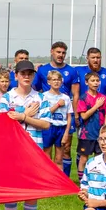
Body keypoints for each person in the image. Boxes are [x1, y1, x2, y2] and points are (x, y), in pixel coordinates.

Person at [0, 61, 50, 210]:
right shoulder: (7, 97)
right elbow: (4, 121)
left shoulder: (40, 98)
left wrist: (22, 116)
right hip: (12, 148)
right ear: (16, 76)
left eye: (30, 73)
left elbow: (45, 124)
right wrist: (25, 113)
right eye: (23, 73)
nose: (26, 76)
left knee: (32, 189)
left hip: (34, 148)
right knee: (12, 188)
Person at [33, 42, 78, 179]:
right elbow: (35, 90)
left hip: (63, 124)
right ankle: (46, 179)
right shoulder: (42, 71)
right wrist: (55, 105)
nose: (61, 55)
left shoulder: (71, 71)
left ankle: (62, 180)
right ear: (52, 52)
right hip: (48, 124)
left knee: (63, 153)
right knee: (46, 153)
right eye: (58, 52)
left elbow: (75, 94)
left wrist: (74, 118)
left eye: (63, 53)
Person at [75, 73, 106, 182]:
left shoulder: (103, 98)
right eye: (93, 80)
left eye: (97, 80)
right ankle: (82, 181)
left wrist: (105, 130)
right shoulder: (83, 98)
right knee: (84, 158)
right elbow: (84, 115)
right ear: (87, 82)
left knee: (100, 158)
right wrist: (96, 106)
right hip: (86, 134)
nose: (95, 83)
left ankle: (98, 180)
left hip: (99, 134)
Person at [41, 70, 73, 170]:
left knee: (59, 159)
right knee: (47, 158)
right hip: (48, 127)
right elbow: (45, 113)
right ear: (48, 82)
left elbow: (69, 116)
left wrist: (66, 133)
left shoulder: (66, 98)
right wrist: (58, 105)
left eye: (58, 80)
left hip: (61, 128)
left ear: (61, 81)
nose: (56, 82)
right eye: (54, 80)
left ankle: (58, 184)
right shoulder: (44, 96)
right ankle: (47, 182)